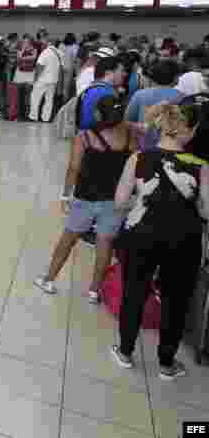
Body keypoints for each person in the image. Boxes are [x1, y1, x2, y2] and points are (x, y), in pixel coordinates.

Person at [111, 103, 209, 380]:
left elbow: (120, 201)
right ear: (188, 132)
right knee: (175, 300)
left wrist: (142, 201)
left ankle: (125, 351)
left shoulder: (139, 157)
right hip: (183, 239)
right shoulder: (201, 167)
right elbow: (206, 211)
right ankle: (167, 363)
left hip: (141, 233)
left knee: (134, 293)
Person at [34, 94, 134, 302]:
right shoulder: (130, 137)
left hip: (85, 197)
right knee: (104, 244)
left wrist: (65, 195)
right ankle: (94, 291)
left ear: (98, 114)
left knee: (68, 239)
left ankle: (49, 279)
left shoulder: (85, 137)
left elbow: (73, 168)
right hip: (115, 201)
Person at [30, 39, 64, 122]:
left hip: (42, 79)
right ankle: (46, 118)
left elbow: (39, 66)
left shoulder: (45, 52)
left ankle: (33, 117)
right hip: (53, 80)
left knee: (35, 98)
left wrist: (35, 79)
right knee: (49, 100)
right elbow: (61, 69)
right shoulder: (60, 54)